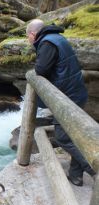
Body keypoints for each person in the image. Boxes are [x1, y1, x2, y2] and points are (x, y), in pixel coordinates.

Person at [26, 19, 96, 186]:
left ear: (33, 34)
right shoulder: (57, 38)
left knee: (63, 138)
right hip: (76, 93)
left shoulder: (47, 43)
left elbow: (41, 69)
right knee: (73, 137)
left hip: (67, 98)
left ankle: (93, 168)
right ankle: (75, 176)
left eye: (27, 36)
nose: (28, 40)